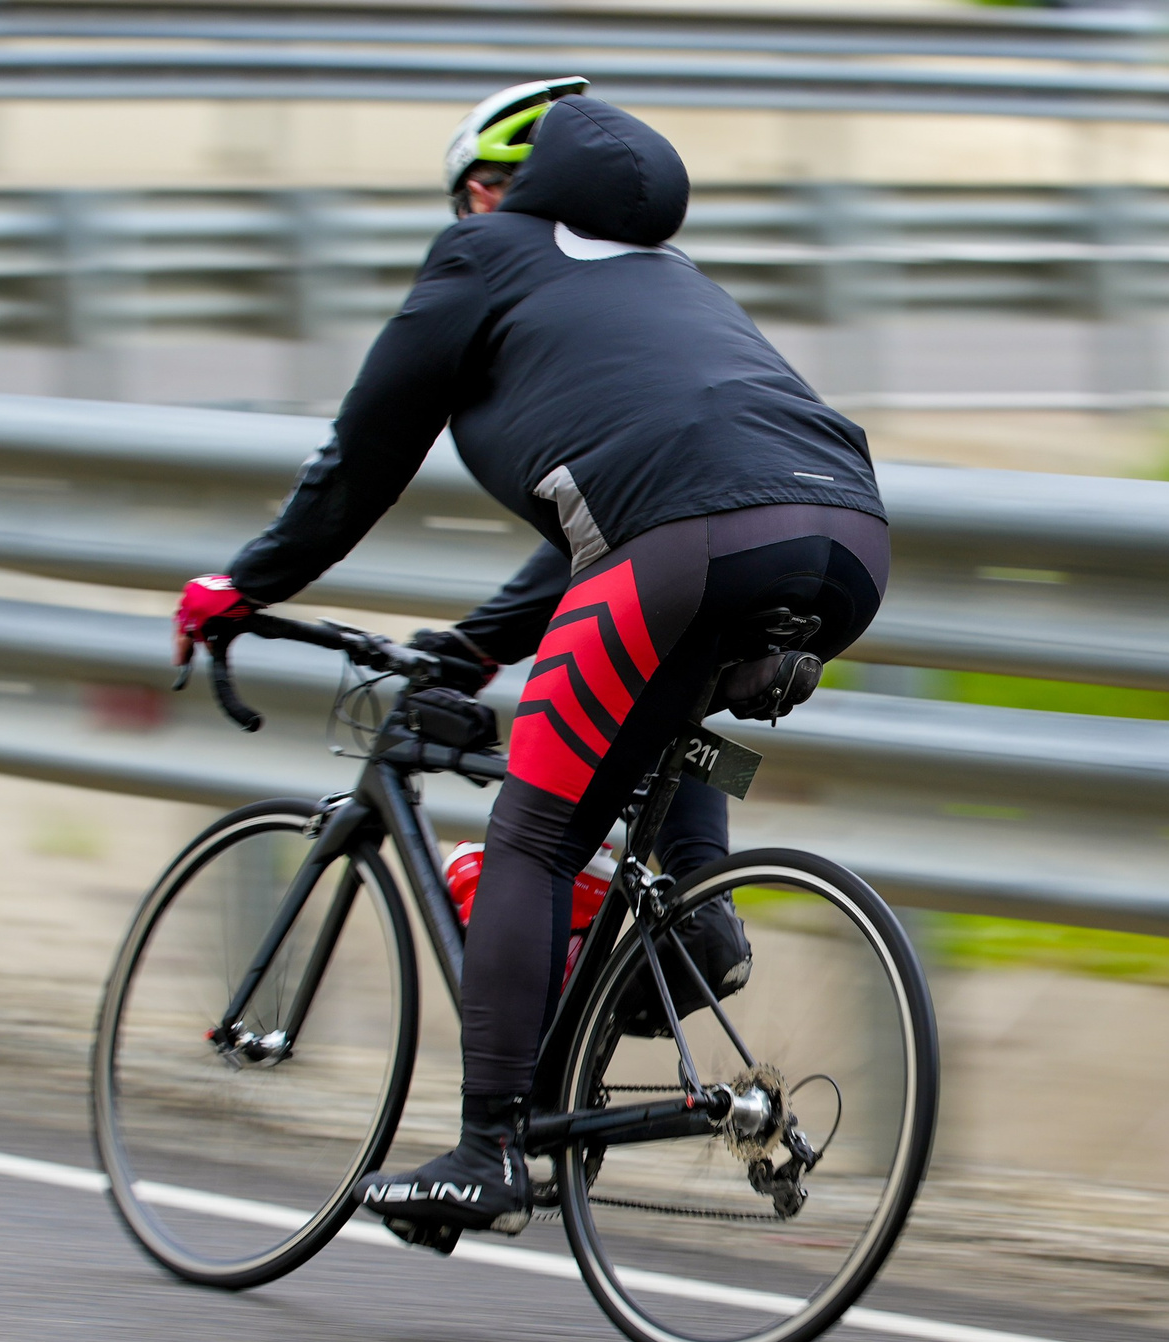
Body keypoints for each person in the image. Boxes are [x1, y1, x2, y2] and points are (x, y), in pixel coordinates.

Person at [172, 79, 889, 1240]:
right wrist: (473, 644)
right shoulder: (671, 288)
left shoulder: (485, 257)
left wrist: (244, 583)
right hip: (845, 541)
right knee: (664, 711)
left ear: (487, 192)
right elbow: (615, 527)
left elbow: (361, 460)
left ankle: (488, 1149)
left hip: (685, 547)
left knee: (536, 833)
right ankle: (689, 925)